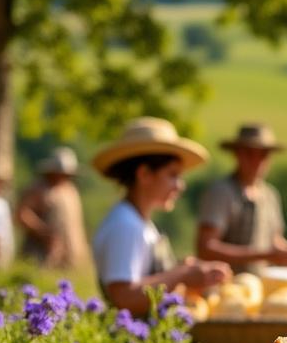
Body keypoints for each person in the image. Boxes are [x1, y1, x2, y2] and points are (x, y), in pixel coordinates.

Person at [91, 117, 231, 315]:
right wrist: (181, 274)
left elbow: (146, 279)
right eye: (173, 175)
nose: (180, 185)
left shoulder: (139, 222)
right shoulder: (125, 225)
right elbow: (124, 296)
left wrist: (184, 270)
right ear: (144, 174)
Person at [196, 123, 287, 274]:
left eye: (263, 155)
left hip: (259, 283)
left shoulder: (270, 195)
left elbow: (275, 241)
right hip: (223, 282)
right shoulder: (221, 192)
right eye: (250, 154)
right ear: (237, 154)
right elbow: (206, 248)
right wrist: (265, 255)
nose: (257, 161)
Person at [17, 146, 90, 269]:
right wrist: (44, 232)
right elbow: (22, 214)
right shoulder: (39, 188)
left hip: (70, 255)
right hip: (41, 254)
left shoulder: (71, 190)